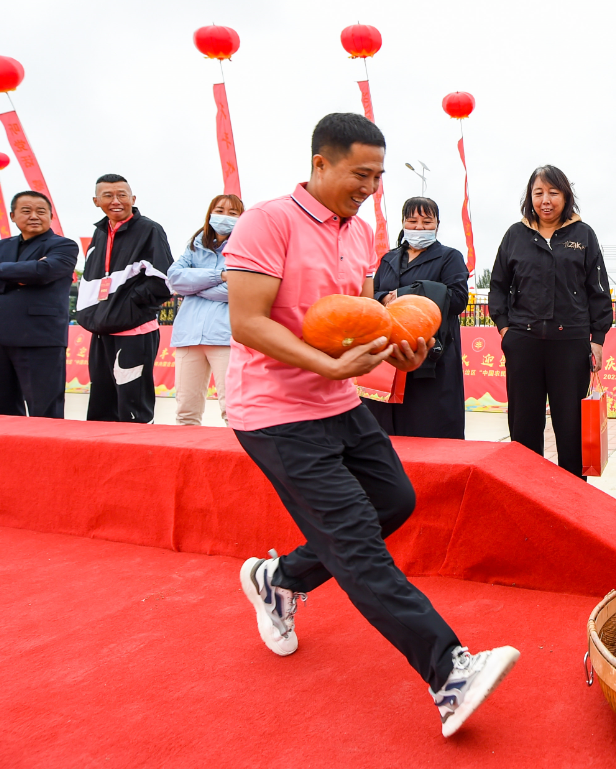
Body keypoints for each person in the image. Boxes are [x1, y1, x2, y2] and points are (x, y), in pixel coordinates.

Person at [224, 113, 517, 737]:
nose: (371, 186)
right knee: (355, 542)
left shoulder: (358, 234)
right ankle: (449, 673)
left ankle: (280, 579)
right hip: (275, 413)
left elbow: (353, 319)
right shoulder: (267, 220)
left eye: (378, 175)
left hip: (336, 401)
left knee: (394, 500)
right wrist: (330, 363)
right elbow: (248, 322)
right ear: (320, 163)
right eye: (361, 173)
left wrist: (397, 350)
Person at [489, 166, 613, 479]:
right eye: (539, 193)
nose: (546, 200)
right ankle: (527, 495)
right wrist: (506, 331)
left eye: (553, 193)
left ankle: (572, 502)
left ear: (565, 196)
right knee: (524, 426)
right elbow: (498, 286)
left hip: (570, 345)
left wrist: (597, 339)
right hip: (524, 343)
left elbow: (598, 291)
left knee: (571, 428)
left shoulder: (583, 235)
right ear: (530, 197)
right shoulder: (515, 235)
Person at [363, 197, 469, 439]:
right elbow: (372, 293)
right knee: (385, 428)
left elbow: (457, 299)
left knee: (429, 425)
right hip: (389, 353)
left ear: (437, 224)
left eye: (426, 221)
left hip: (431, 352)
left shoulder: (449, 257)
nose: (419, 227)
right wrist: (385, 298)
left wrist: (403, 294)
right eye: (412, 221)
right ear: (403, 223)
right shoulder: (388, 259)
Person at [76, 174, 173, 423]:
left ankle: (139, 459)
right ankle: (101, 460)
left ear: (133, 198)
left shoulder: (149, 230)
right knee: (101, 405)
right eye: (108, 195)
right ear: (96, 200)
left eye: (122, 194)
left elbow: (164, 280)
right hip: (102, 331)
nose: (115, 200)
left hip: (134, 332)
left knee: (132, 409)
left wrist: (128, 305)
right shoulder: (99, 233)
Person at [0, 191, 78, 418]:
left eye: (41, 211)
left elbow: (43, 272)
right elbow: (33, 271)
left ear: (50, 216)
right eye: (26, 211)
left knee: (45, 411)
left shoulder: (64, 246)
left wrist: (27, 271)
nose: (34, 216)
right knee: (3, 413)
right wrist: (23, 273)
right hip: (2, 337)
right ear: (13, 216)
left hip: (40, 338)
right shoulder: (3, 246)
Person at [168, 194, 243, 425]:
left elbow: (239, 289)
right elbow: (174, 278)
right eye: (220, 210)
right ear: (210, 213)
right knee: (185, 410)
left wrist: (194, 287)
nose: (224, 217)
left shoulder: (245, 247)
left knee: (232, 409)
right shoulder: (194, 245)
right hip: (188, 337)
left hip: (225, 336)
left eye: (233, 213)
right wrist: (219, 275)